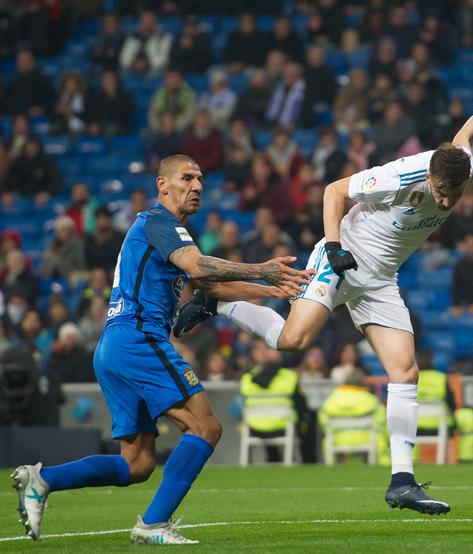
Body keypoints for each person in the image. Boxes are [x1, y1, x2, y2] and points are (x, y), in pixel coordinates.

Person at [173, 72, 473, 515]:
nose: (446, 203)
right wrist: (333, 247)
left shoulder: (460, 165)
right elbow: (334, 191)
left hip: (382, 278)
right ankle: (217, 301)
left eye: (455, 195)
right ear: (429, 176)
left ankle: (402, 482)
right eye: (442, 194)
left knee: (405, 372)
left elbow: (464, 136)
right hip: (343, 257)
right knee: (293, 341)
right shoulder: (399, 175)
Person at [12, 154, 311, 544]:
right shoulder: (159, 221)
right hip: (139, 338)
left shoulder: (167, 232)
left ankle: (43, 479)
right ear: (162, 185)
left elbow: (211, 288)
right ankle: (152, 526)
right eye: (187, 177)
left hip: (114, 346)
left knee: (136, 464)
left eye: (201, 179)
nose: (197, 186)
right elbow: (200, 268)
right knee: (206, 427)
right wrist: (262, 269)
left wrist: (272, 289)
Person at [240, 338, 312, 463]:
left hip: (255, 426)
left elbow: (241, 403)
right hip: (283, 425)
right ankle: (308, 461)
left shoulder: (246, 378)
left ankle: (270, 459)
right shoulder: (289, 377)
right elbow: (301, 406)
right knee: (308, 420)